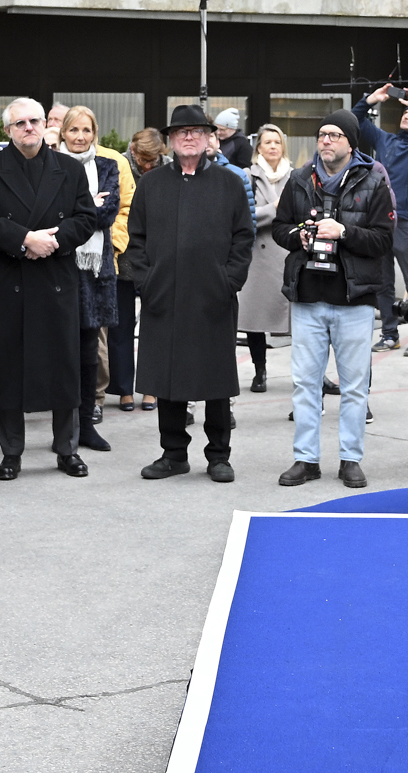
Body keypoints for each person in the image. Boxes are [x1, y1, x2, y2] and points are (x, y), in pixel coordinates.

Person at [0, 98, 102, 480]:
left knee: (64, 368)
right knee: (9, 369)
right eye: (20, 122)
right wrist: (25, 239)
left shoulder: (69, 169)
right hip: (10, 280)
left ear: (45, 125)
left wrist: (54, 241)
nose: (28, 127)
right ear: (7, 130)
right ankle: (12, 453)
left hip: (57, 277)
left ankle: (66, 450)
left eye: (35, 121)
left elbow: (86, 217)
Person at [270, 110, 392, 488]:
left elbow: (384, 240)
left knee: (355, 386)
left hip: (353, 300)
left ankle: (350, 459)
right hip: (307, 296)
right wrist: (299, 237)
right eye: (322, 134)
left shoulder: (374, 180)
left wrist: (345, 232)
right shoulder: (299, 179)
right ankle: (305, 460)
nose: (325, 141)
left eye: (335, 135)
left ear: (351, 142)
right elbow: (279, 228)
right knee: (306, 383)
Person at [131, 106, 253, 483]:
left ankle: (219, 455)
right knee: (168, 381)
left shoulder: (229, 183)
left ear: (208, 138)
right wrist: (146, 283)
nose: (188, 137)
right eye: (181, 131)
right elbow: (135, 240)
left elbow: (243, 238)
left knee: (216, 381)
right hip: (162, 297)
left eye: (196, 131)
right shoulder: (151, 185)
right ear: (169, 139)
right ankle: (173, 454)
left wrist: (228, 280)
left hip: (212, 298)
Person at [57, 108, 122, 453]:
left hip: (95, 272)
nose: (80, 136)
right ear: (63, 133)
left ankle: (85, 423)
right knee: (60, 352)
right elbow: (48, 213)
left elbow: (107, 213)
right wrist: (86, 208)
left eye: (86, 130)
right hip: (60, 266)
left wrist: (75, 210)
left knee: (88, 353)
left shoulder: (107, 166)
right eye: (74, 130)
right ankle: (62, 428)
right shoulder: (52, 166)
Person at [356, 84, 408, 355]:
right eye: (404, 113)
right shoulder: (385, 140)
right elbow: (355, 121)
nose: (407, 116)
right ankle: (389, 333)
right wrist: (372, 100)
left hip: (405, 224)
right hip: (379, 222)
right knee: (382, 282)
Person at [112, 129, 166, 411]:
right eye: (143, 159)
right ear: (132, 149)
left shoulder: (167, 169)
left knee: (154, 325)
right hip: (124, 252)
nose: (147, 165)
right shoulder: (119, 165)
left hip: (157, 256)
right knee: (120, 326)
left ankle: (150, 389)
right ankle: (124, 390)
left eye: (152, 160)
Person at [237, 124, 294, 393]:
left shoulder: (296, 176)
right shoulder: (247, 176)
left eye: (277, 142)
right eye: (267, 142)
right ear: (258, 147)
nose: (273, 146)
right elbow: (242, 216)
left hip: (288, 252)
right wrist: (272, 209)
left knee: (300, 321)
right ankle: (260, 371)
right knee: (255, 319)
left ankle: (307, 373)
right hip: (257, 258)